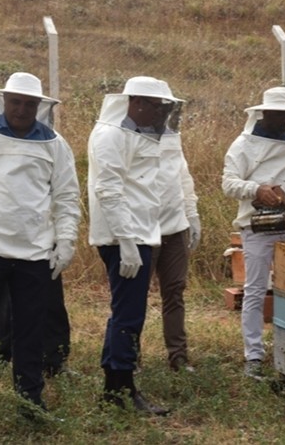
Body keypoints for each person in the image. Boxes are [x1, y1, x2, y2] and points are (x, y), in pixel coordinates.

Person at [0, 72, 80, 437]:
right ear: (3, 101)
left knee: (30, 333)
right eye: (16, 102)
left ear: (40, 107)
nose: (22, 110)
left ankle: (31, 404)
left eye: (30, 104)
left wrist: (66, 241)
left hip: (35, 255)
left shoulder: (55, 144)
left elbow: (67, 196)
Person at [88, 76, 181, 415]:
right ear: (137, 103)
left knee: (125, 313)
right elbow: (108, 190)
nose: (160, 115)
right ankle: (123, 390)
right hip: (122, 237)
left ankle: (114, 388)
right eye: (157, 107)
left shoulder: (131, 132)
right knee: (129, 315)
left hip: (137, 233)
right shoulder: (111, 134)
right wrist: (126, 241)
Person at [222, 86, 285, 381]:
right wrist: (257, 189)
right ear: (264, 112)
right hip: (257, 226)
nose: (283, 120)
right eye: (278, 114)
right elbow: (228, 183)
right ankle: (253, 355)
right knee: (254, 290)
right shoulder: (243, 144)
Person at [149, 103, 200, 372]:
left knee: (175, 292)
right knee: (134, 298)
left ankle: (178, 356)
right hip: (143, 228)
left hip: (175, 226)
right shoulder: (125, 135)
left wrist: (192, 215)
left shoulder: (171, 137)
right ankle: (128, 358)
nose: (160, 113)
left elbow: (183, 177)